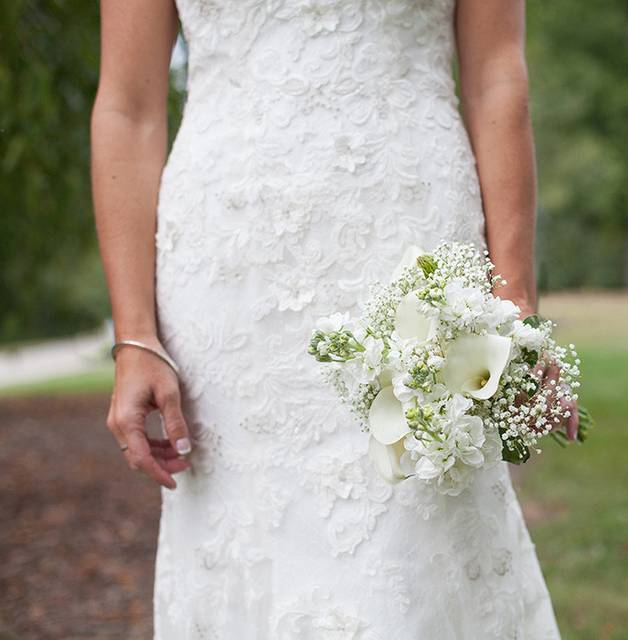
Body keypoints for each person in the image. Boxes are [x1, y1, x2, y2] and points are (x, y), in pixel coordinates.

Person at [91, 1, 564, 637]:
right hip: (230, 278)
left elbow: (496, 75)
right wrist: (135, 334)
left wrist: (514, 305)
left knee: (415, 540)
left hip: (412, 250)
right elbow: (129, 106)